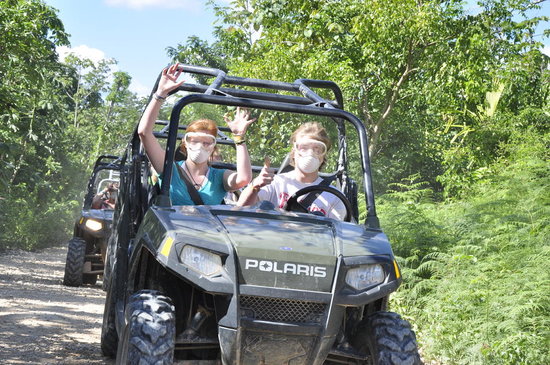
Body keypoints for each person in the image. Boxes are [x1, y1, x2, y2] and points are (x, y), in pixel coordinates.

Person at [137, 63, 255, 205]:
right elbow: (144, 132)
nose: (200, 146)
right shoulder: (170, 170)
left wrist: (239, 137)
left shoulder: (218, 177)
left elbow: (243, 179)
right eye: (194, 140)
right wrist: (160, 94)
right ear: (185, 143)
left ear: (213, 146)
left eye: (206, 142)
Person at [237, 122, 346, 220]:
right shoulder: (275, 183)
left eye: (317, 149)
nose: (310, 153)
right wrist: (255, 187)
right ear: (293, 152)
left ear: (323, 155)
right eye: (304, 147)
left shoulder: (334, 196)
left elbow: (336, 234)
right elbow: (240, 211)